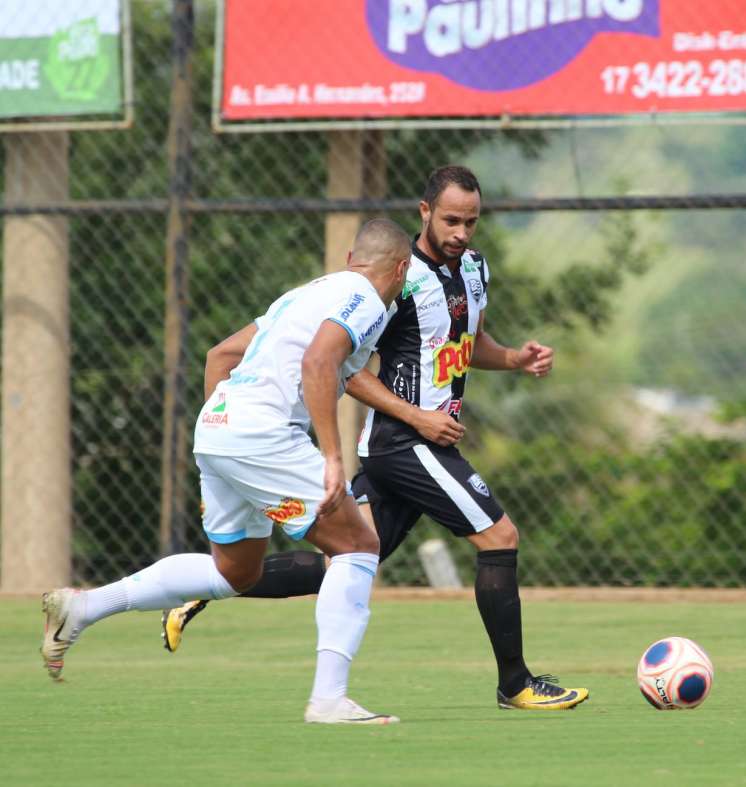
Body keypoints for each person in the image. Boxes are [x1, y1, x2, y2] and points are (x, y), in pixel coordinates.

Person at [162, 165, 589, 711]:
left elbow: (468, 342)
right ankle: (516, 684)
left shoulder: (475, 268)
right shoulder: (395, 280)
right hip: (405, 443)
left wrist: (513, 358)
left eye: (471, 222)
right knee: (499, 537)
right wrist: (417, 417)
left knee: (344, 558)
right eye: (451, 220)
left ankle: (211, 587)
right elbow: (345, 367)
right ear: (425, 212)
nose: (461, 232)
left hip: (419, 442)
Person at [40, 218, 412, 725]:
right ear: (401, 269)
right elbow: (319, 364)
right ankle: (329, 699)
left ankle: (83, 608)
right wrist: (331, 456)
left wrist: (226, 441)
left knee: (235, 572)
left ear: (351, 259)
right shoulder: (367, 298)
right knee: (359, 545)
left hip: (219, 423)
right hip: (264, 432)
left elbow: (222, 355)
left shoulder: (306, 294)